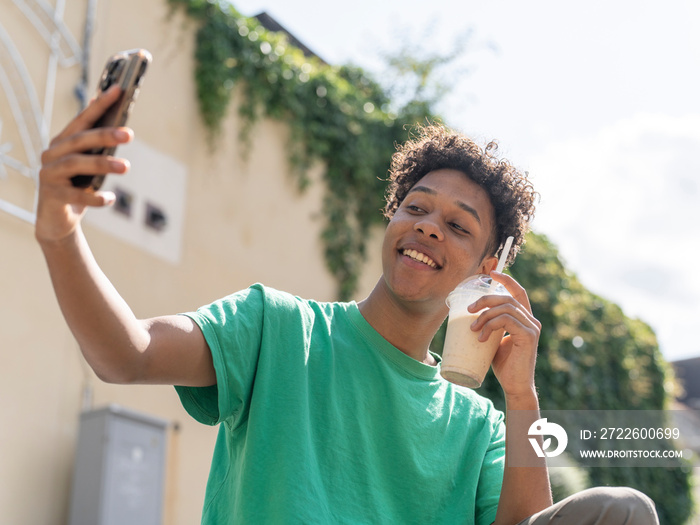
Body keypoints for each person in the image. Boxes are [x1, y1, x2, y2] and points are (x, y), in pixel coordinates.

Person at [37, 86, 659, 524]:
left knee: (625, 512)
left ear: (488, 271)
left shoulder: (479, 428)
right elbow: (126, 354)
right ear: (393, 219)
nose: (429, 228)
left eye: (459, 226)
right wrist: (60, 229)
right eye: (416, 207)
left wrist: (522, 397)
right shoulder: (277, 328)